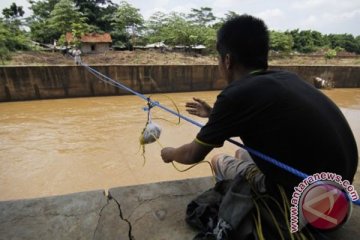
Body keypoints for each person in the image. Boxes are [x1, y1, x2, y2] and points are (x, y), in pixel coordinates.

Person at [160, 15, 358, 238]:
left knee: (219, 160)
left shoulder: (235, 95)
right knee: (240, 152)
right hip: (340, 196)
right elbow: (264, 119)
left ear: (227, 60)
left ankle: (245, 208)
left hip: (309, 207)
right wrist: (213, 115)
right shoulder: (287, 78)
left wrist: (169, 154)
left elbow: (192, 154)